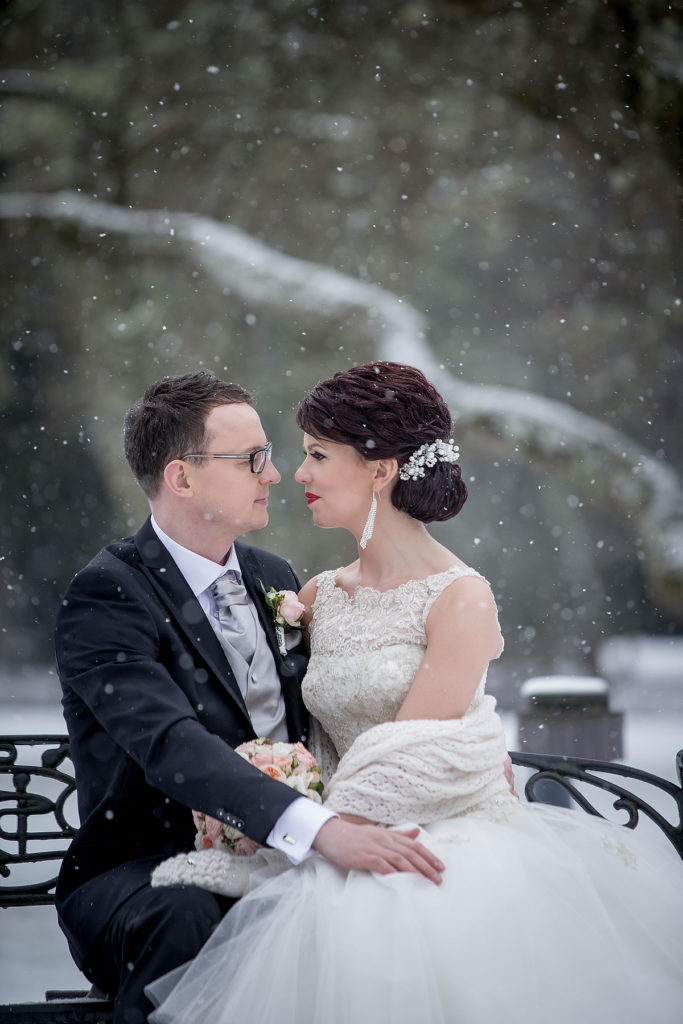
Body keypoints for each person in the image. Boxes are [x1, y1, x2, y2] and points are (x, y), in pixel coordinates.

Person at [148, 361, 683, 1024]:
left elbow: (407, 756)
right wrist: (278, 807)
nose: (299, 474)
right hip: (343, 828)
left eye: (318, 455)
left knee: (387, 928)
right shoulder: (314, 595)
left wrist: (305, 835)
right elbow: (288, 720)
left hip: (443, 835)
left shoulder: (460, 598)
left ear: (380, 470)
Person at [54, 371, 445, 1024]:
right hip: (144, 871)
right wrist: (317, 831)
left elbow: (345, 699)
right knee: (194, 913)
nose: (276, 474)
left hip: (287, 852)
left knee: (404, 901)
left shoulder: (275, 577)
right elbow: (170, 744)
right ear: (182, 477)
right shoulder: (108, 596)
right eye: (253, 459)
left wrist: (454, 747)